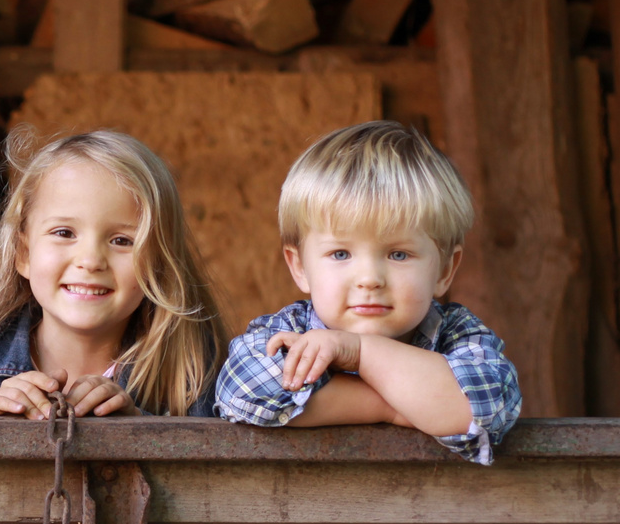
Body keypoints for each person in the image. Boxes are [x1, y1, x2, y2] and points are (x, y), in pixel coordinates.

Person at [215, 120, 521, 463]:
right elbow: (242, 392)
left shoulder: (459, 336)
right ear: (300, 267)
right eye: (341, 254)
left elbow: (482, 411)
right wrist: (390, 407)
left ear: (445, 270)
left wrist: (359, 352)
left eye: (398, 254)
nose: (370, 279)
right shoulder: (291, 332)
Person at [0, 129, 225, 419]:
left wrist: (137, 431)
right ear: (24, 254)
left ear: (159, 263)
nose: (90, 261)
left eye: (122, 241)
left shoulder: (191, 376)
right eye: (64, 233)